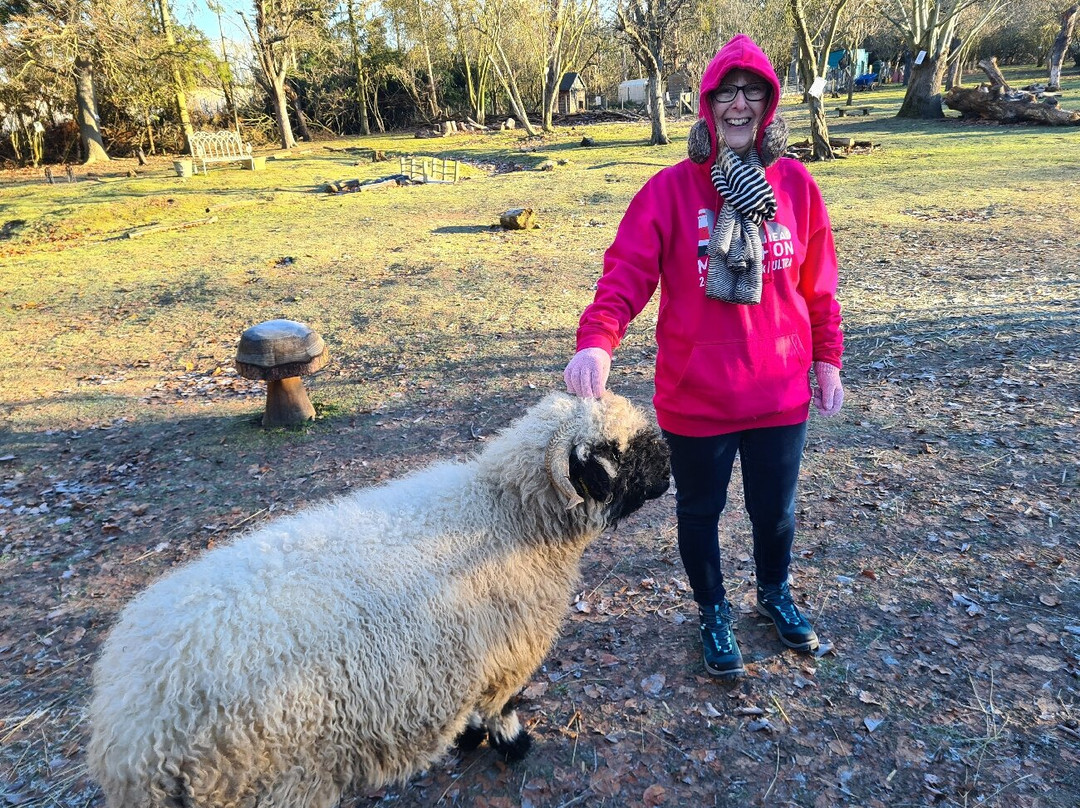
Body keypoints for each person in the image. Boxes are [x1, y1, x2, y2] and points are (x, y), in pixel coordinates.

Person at [563, 34, 844, 679]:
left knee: (775, 512)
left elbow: (818, 282)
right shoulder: (669, 192)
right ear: (708, 104)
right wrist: (597, 344)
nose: (739, 104)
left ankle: (774, 593)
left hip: (778, 392)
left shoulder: (796, 186)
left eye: (753, 93)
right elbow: (625, 275)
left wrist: (826, 357)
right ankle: (713, 608)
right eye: (727, 93)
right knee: (700, 513)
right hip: (698, 399)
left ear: (768, 105)